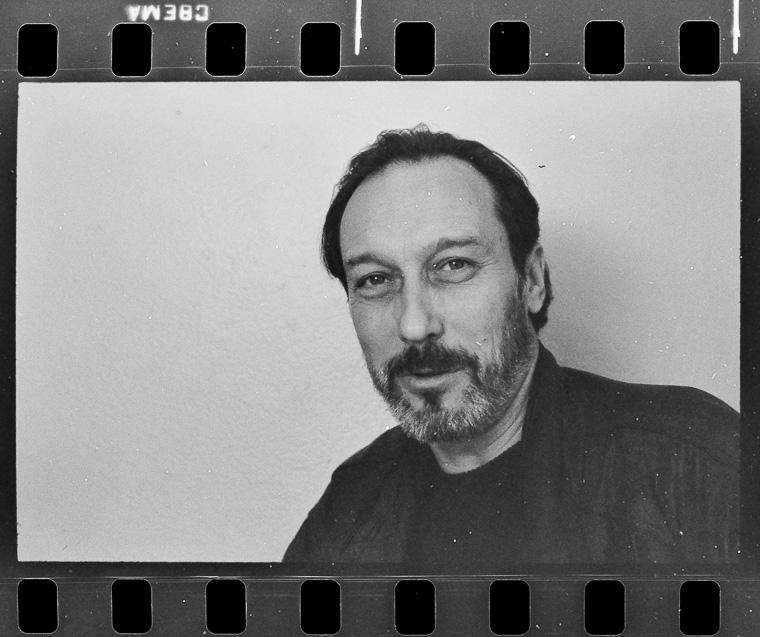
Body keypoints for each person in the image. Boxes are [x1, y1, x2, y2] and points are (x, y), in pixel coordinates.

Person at [283, 125, 739, 566]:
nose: (415, 326)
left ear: (532, 281)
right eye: (375, 279)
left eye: (454, 265)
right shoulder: (350, 507)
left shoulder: (693, 460)